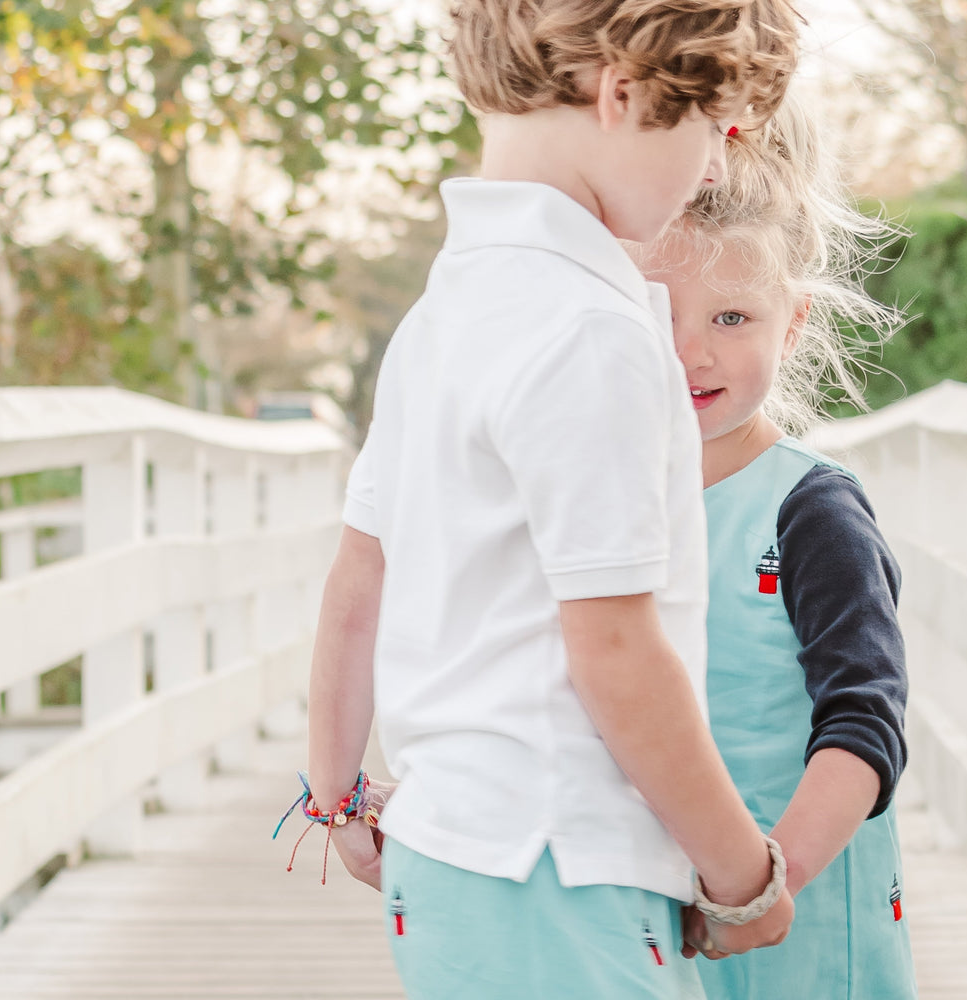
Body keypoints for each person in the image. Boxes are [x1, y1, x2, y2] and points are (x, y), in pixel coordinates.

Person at [302, 2, 802, 998]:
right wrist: (744, 873)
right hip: (558, 863)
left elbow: (361, 579)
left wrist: (335, 792)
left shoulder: (444, 314)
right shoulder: (591, 331)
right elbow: (615, 652)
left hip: (449, 854)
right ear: (624, 94)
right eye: (713, 129)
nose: (713, 169)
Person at [635, 91, 919, 999]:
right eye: (659, 317)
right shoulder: (606, 502)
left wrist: (762, 889)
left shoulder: (812, 511)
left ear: (790, 324)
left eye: (732, 319)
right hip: (650, 917)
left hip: (797, 924)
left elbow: (865, 723)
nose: (692, 354)